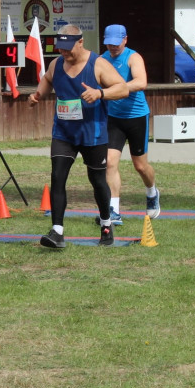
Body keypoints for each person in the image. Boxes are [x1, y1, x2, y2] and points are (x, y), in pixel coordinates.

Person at [27, 25, 129, 249]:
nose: (64, 53)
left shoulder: (98, 64)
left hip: (92, 133)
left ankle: (105, 223)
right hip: (64, 132)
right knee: (57, 176)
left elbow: (123, 88)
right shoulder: (57, 64)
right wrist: (37, 95)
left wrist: (100, 93)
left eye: (68, 48)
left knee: (97, 181)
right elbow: (48, 78)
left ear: (80, 42)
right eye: (60, 48)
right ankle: (57, 231)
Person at [102, 24, 161, 225]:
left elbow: (141, 82)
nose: (113, 47)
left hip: (136, 117)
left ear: (125, 40)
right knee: (110, 161)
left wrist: (118, 88)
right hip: (113, 119)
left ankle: (152, 192)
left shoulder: (133, 57)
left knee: (140, 166)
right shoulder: (102, 60)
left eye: (116, 43)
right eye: (109, 44)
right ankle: (114, 210)